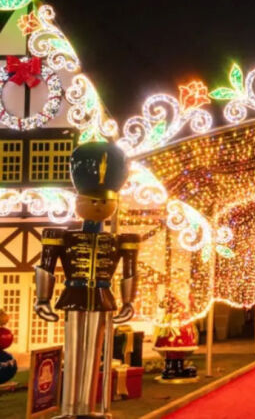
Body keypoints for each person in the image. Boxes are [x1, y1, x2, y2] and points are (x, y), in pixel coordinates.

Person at [34, 142, 139, 418]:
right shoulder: (61, 236)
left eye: (104, 202)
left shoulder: (120, 241)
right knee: (74, 350)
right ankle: (69, 407)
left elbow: (130, 269)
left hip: (102, 297)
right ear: (78, 201)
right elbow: (45, 266)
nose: (97, 206)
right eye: (92, 200)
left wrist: (129, 302)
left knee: (94, 353)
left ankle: (86, 406)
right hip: (74, 295)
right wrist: (42, 299)